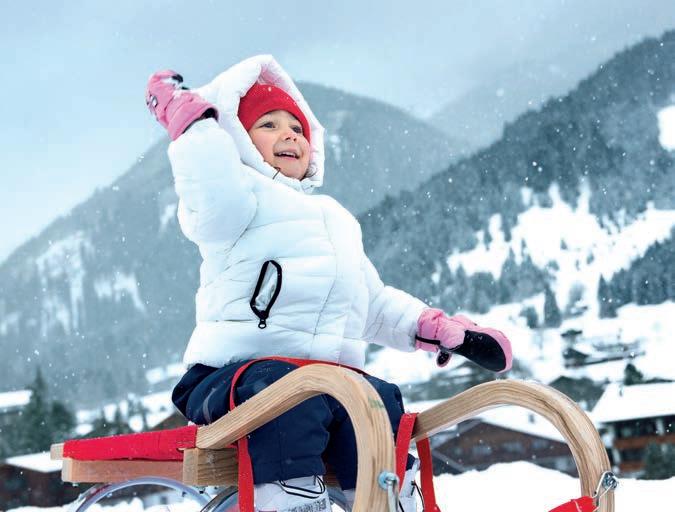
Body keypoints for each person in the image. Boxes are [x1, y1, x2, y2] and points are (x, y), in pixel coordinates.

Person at [146, 55, 513, 512]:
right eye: (268, 124)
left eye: (297, 128)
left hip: (327, 386)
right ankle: (291, 499)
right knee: (290, 392)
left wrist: (435, 328)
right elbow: (212, 187)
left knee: (378, 398)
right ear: (236, 138)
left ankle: (384, 496)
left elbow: (371, 303)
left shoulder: (335, 219)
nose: (289, 135)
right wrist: (195, 128)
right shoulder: (238, 203)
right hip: (234, 379)